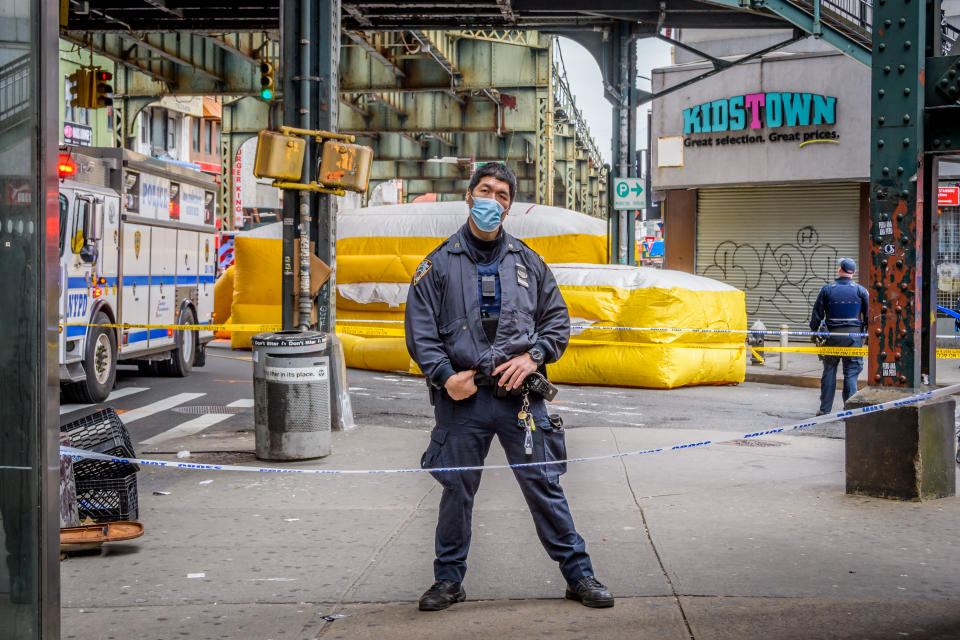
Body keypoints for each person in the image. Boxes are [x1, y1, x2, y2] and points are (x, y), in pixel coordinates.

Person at [404, 162, 613, 612]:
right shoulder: (437, 265)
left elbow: (557, 322)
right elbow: (420, 332)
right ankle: (448, 581)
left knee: (544, 485)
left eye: (501, 194)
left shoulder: (530, 263)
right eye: (485, 190)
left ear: (509, 205)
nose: (492, 200)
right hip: (463, 402)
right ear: (468, 196)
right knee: (456, 492)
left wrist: (533, 356)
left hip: (521, 400)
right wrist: (444, 377)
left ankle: (580, 576)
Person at [809, 258, 869, 415]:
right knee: (851, 373)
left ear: (839, 269)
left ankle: (824, 410)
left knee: (829, 371)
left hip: (832, 337)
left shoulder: (827, 289)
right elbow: (869, 316)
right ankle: (849, 411)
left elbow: (817, 314)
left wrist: (814, 331)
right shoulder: (861, 291)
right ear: (853, 272)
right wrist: (866, 335)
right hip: (853, 337)